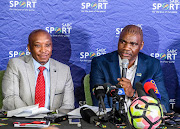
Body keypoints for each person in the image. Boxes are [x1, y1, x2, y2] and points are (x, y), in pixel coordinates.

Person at [90, 25, 170, 112]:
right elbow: (101, 104)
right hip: (113, 120)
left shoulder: (153, 66)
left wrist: (133, 94)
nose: (126, 48)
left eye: (133, 44)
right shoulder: (101, 63)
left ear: (141, 45)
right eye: (123, 42)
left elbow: (164, 105)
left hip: (143, 121)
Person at [2, 29, 74, 111]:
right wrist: (34, 114)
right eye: (38, 45)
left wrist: (54, 118)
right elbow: (10, 98)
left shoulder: (64, 70)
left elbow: (68, 105)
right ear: (29, 48)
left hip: (53, 121)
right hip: (22, 118)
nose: (43, 50)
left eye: (47, 45)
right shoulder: (16, 65)